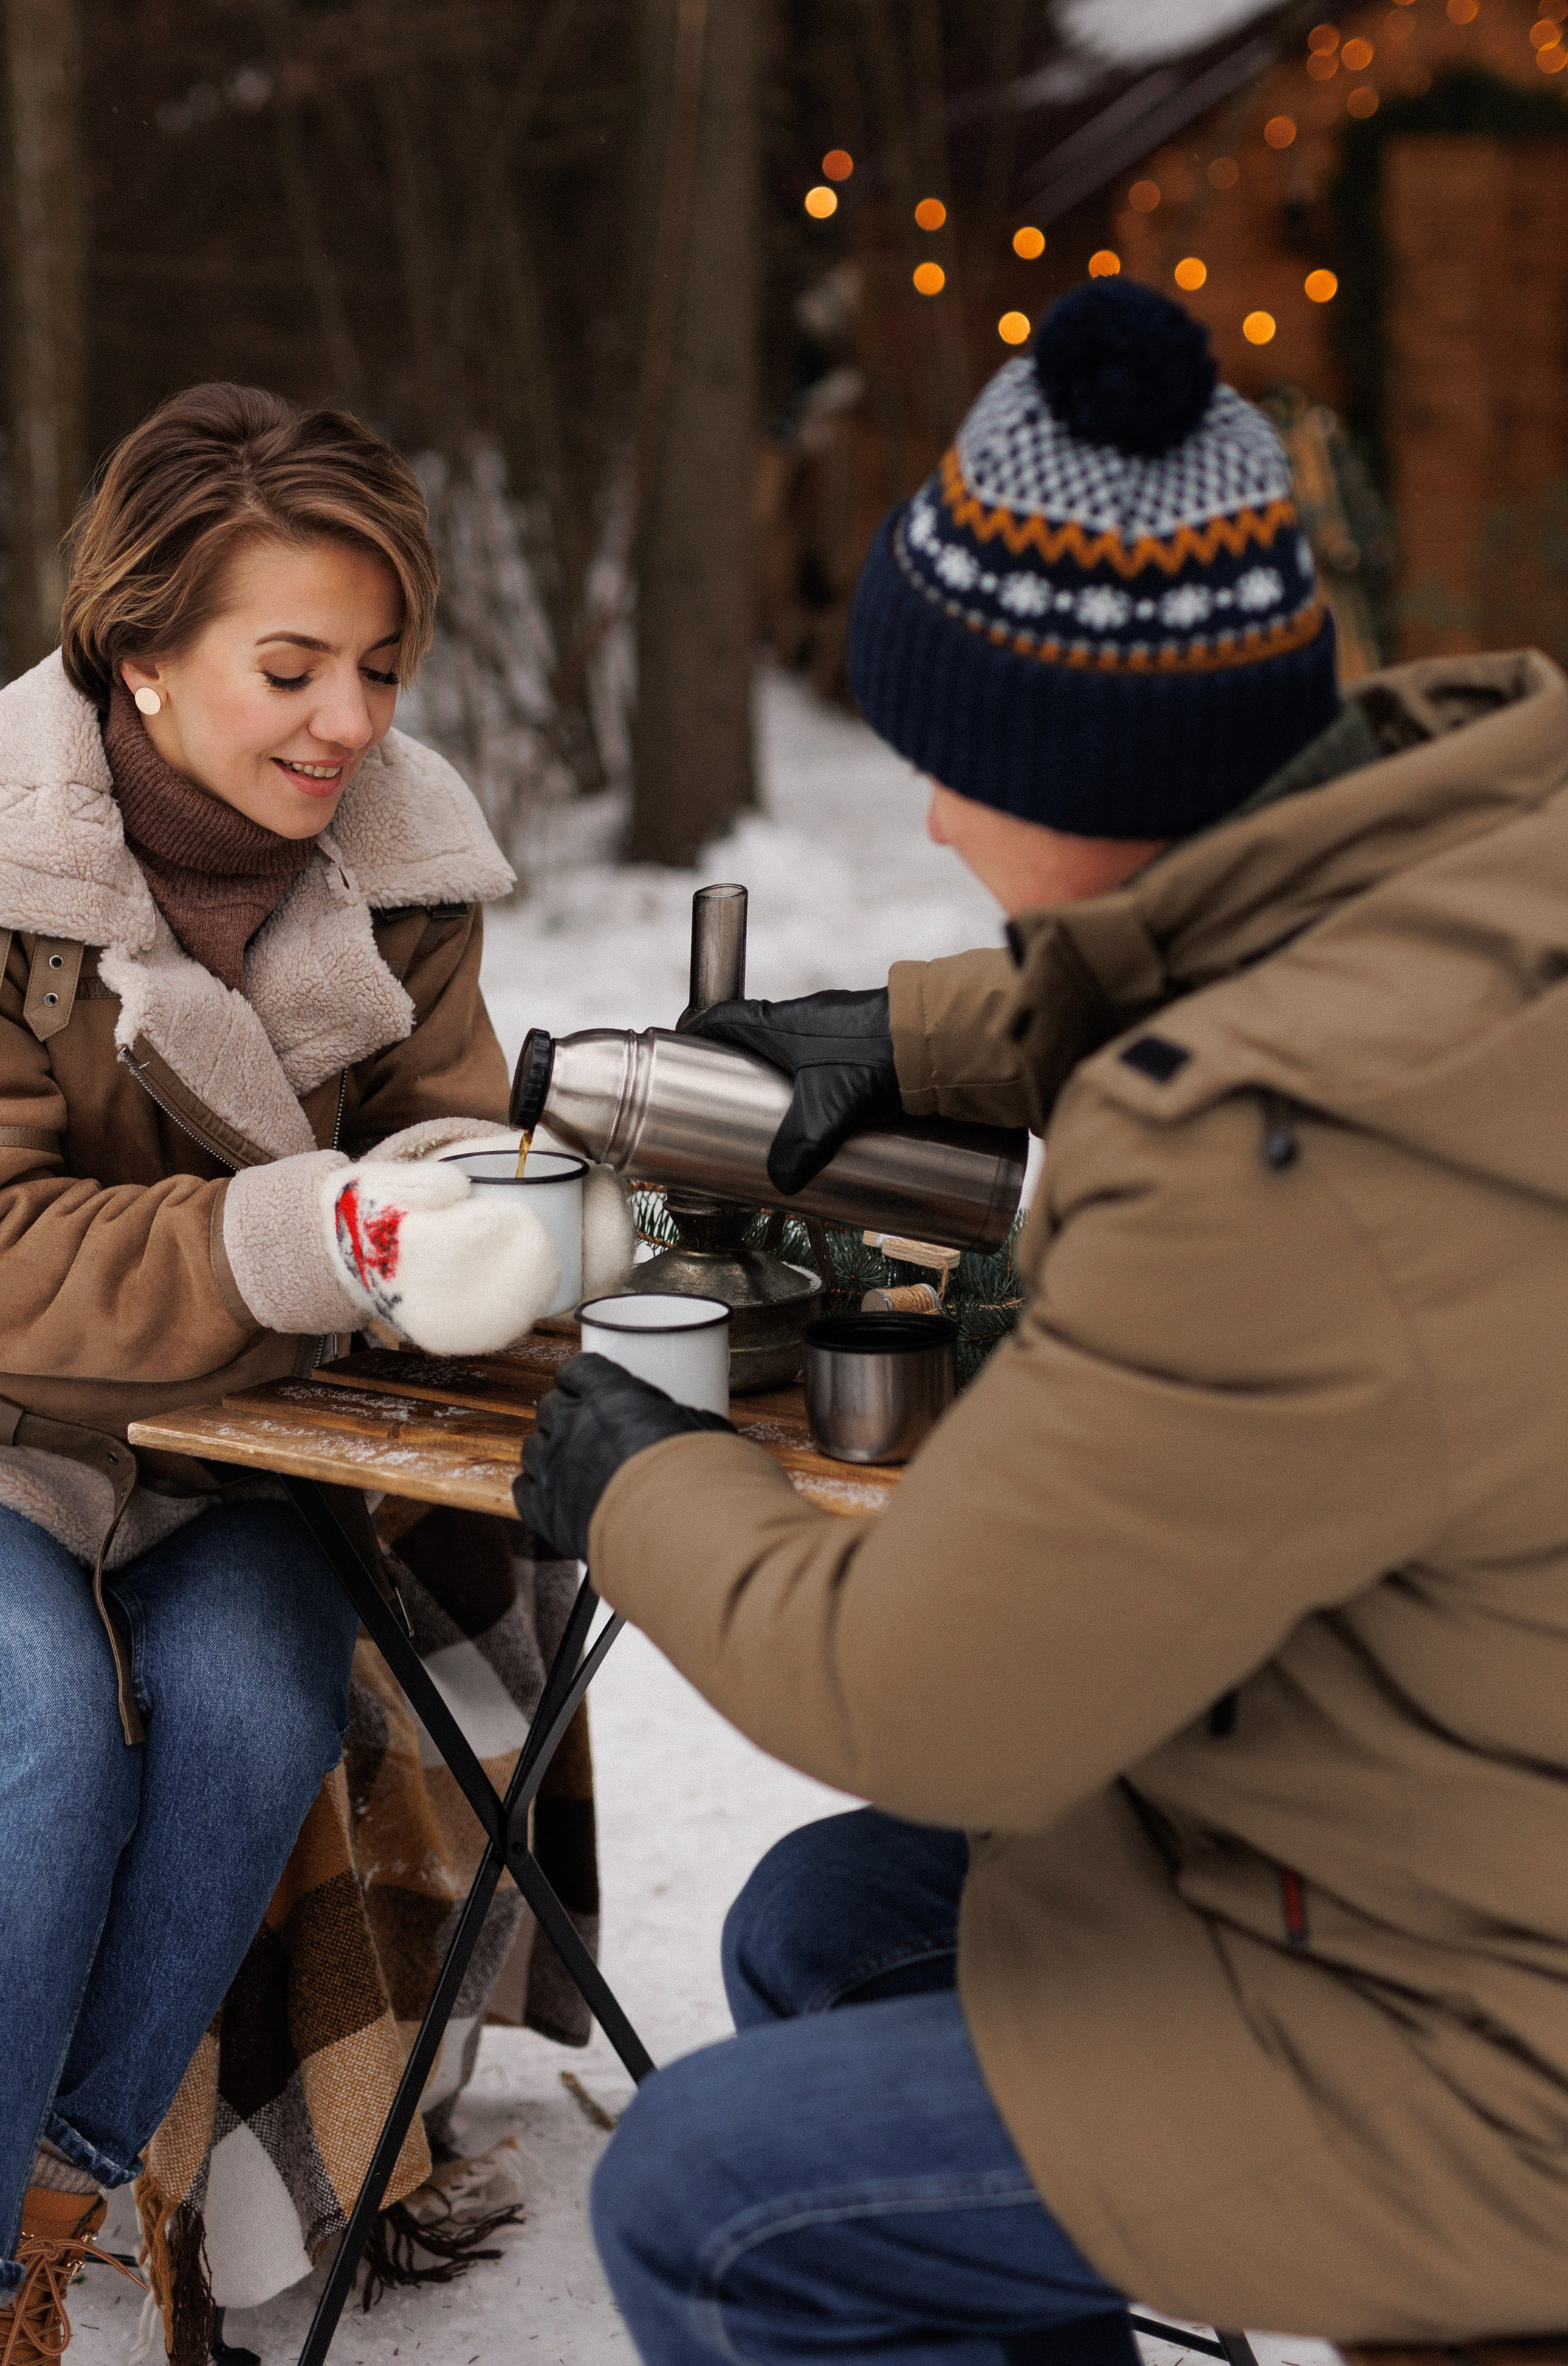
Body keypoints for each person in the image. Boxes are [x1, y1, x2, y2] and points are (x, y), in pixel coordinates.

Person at [516, 280, 1568, 2364]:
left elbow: (926, 1702)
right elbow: (1260, 940)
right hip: (1444, 1826)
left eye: (950, 759)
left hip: (1485, 2045)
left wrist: (651, 1475)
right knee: (826, 1920)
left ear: (1069, 763)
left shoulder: (1257, 1158)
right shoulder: (1481, 861)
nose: (925, 817)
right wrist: (913, 1032)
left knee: (716, 2199)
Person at [0, 384, 631, 2366]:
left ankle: (52, 2207)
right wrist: (313, 1239)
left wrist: (472, 1215)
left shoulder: (395, 874)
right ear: (139, 652)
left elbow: (441, 1127)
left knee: (252, 1698)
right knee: (48, 1720)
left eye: (381, 667)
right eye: (293, 665)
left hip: (225, 1457)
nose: (350, 720)